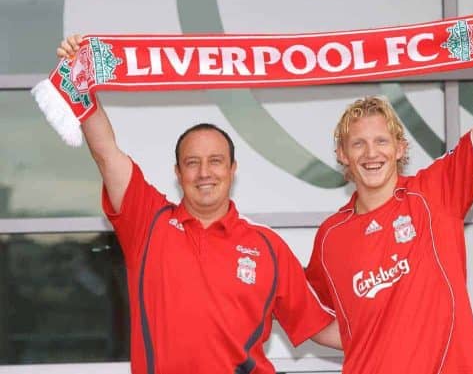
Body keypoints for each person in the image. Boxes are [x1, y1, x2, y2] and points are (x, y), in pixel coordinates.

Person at [305, 0, 473, 374]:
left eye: (381, 141)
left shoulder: (436, 191)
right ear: (342, 154)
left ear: (400, 147)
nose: (371, 154)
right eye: (358, 144)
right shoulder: (329, 238)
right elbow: (324, 322)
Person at [56, 39, 341, 374]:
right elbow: (106, 153)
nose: (205, 172)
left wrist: (404, 331)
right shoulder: (148, 223)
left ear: (232, 170)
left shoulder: (267, 247)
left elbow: (320, 327)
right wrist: (82, 80)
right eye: (192, 162)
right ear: (178, 173)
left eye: (216, 161)